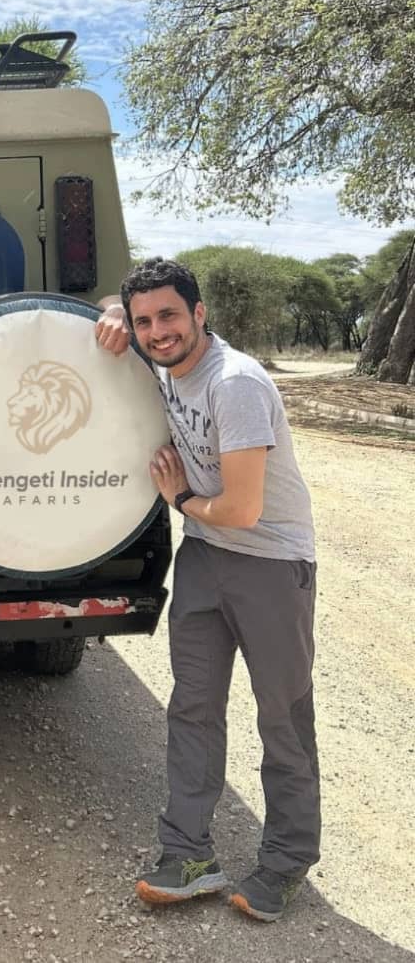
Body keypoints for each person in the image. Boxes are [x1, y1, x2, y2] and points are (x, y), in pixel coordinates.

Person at [94, 258, 319, 923]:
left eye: (170, 315)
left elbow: (243, 510)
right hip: (205, 556)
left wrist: (182, 496)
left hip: (269, 563)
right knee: (192, 708)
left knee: (283, 717)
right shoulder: (162, 360)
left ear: (200, 314)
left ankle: (285, 862)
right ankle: (189, 855)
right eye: (145, 321)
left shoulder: (237, 384)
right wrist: (111, 313)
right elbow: (116, 301)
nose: (157, 332)